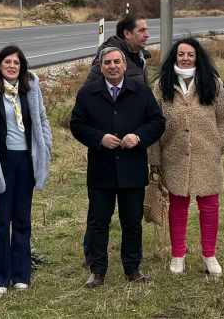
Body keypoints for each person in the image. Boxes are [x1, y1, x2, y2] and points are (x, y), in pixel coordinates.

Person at [71, 47, 166, 288]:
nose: (112, 66)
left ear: (124, 65)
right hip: (101, 169)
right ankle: (97, 270)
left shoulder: (141, 91)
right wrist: (98, 138)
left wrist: (139, 137)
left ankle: (132, 269)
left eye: (116, 62)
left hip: (132, 169)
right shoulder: (88, 93)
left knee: (132, 222)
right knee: (98, 222)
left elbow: (157, 122)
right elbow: (77, 125)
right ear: (100, 66)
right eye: (107, 63)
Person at [0, 45, 53, 296]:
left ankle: (21, 274)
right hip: (1, 162)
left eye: (16, 62)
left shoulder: (31, 89)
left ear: (22, 66)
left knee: (23, 219)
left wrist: (46, 145)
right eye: (7, 62)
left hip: (26, 161)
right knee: (2, 220)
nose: (12, 66)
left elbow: (42, 119)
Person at [148, 36, 224, 277]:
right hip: (173, 155)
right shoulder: (162, 85)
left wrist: (219, 144)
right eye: (181, 54)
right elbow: (153, 122)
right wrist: (155, 158)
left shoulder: (212, 84)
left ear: (197, 57)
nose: (185, 58)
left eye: (190, 54)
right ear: (175, 57)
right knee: (177, 206)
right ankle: (178, 255)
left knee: (209, 206)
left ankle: (209, 255)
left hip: (207, 154)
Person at [88, 15, 151, 85]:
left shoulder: (140, 57)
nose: (147, 35)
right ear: (127, 34)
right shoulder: (107, 59)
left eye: (146, 30)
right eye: (141, 30)